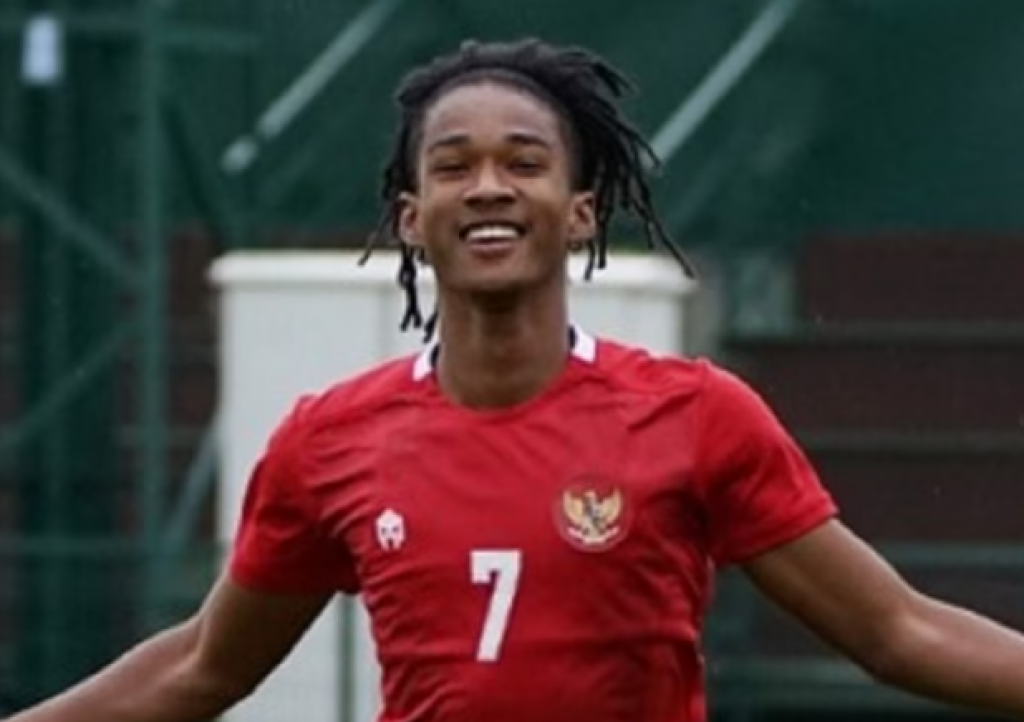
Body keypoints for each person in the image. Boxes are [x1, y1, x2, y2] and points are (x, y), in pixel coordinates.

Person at [9, 37, 1024, 722]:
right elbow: (204, 664)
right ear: (412, 216)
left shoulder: (696, 415)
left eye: (524, 162)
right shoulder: (329, 440)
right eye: (453, 166)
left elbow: (896, 630)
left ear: (579, 211)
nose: (488, 186)